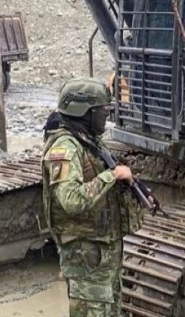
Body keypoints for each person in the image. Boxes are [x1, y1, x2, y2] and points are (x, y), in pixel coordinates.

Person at [41, 77, 134, 316]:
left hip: (103, 254)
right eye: (103, 112)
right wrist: (111, 176)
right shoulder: (66, 147)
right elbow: (71, 200)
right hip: (87, 256)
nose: (106, 117)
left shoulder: (88, 140)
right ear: (86, 112)